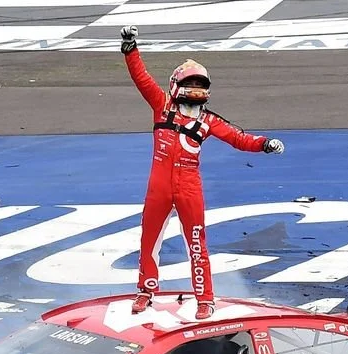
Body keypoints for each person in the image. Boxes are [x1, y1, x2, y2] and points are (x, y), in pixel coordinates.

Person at [120, 25, 284, 320]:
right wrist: (130, 48)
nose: (195, 88)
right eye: (190, 83)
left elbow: (238, 138)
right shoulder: (161, 105)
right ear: (176, 85)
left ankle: (205, 299)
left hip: (189, 188)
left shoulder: (209, 120)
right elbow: (141, 78)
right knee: (149, 240)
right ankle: (145, 291)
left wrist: (264, 144)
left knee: (197, 244)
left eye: (199, 84)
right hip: (158, 187)